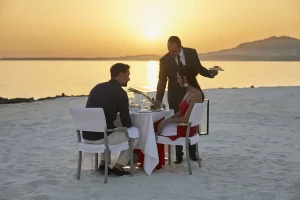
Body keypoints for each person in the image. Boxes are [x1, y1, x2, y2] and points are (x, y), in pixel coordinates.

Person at [154, 36, 218, 164]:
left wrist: (210, 74)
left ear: (180, 47)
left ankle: (193, 153)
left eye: (173, 50)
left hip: (192, 91)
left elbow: (199, 68)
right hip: (175, 95)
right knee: (178, 122)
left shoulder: (191, 53)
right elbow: (162, 81)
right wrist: (158, 99)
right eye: (169, 50)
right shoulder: (165, 60)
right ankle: (178, 155)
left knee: (192, 120)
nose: (171, 53)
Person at [82, 63, 137, 176]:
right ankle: (119, 166)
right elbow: (125, 120)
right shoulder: (120, 93)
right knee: (135, 133)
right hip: (102, 138)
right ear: (121, 75)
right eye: (128, 75)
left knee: (108, 126)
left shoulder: (97, 88)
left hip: (86, 136)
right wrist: (130, 128)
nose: (129, 78)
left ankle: (103, 164)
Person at [156, 65, 205, 164]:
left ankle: (155, 161)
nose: (177, 81)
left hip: (186, 129)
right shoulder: (189, 91)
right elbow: (181, 112)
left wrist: (167, 121)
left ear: (184, 78)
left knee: (153, 129)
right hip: (184, 127)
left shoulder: (196, 94)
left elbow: (186, 118)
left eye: (178, 77)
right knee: (157, 124)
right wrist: (167, 119)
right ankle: (155, 159)